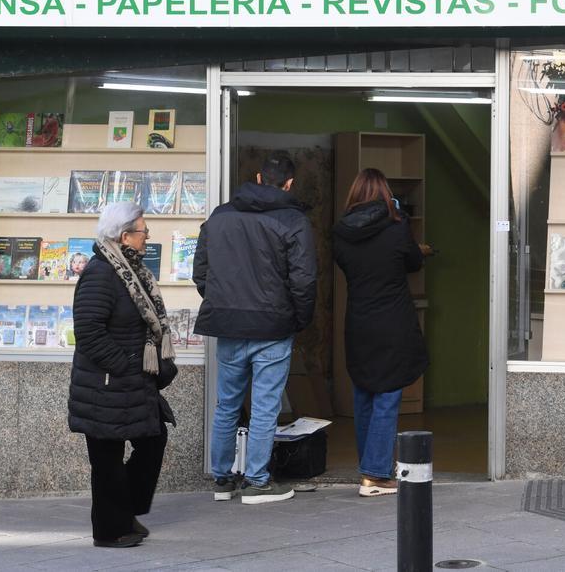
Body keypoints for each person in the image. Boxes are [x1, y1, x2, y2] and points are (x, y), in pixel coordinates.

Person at [193, 151, 317, 505]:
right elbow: (304, 281)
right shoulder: (294, 221)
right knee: (265, 407)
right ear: (289, 184)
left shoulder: (220, 216)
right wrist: (299, 320)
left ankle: (222, 479)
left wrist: (223, 303)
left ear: (259, 178)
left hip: (229, 325)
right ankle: (257, 481)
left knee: (227, 405)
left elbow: (200, 272)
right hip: (273, 326)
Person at [69, 201, 177, 548]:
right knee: (107, 459)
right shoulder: (101, 273)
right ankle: (110, 530)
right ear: (124, 236)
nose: (148, 237)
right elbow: (89, 332)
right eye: (143, 231)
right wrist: (124, 366)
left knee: (153, 439)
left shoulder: (131, 271)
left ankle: (123, 511)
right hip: (106, 384)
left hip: (132, 381)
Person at [332, 168, 430, 497]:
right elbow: (413, 261)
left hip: (359, 321)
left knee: (364, 395)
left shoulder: (341, 232)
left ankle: (370, 468)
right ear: (386, 194)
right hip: (392, 321)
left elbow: (347, 263)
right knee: (388, 396)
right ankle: (375, 475)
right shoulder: (396, 226)